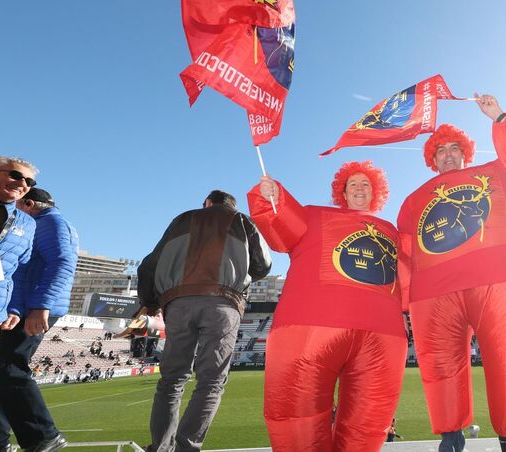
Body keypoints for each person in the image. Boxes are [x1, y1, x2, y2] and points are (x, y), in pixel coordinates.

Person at [397, 94, 506, 452]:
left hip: (502, 276)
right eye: (439, 150)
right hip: (435, 290)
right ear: (432, 158)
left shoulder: (498, 172)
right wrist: (403, 303)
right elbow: (405, 253)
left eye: (452, 148)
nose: (447, 154)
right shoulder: (414, 201)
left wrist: (500, 118)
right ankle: (451, 435)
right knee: (441, 363)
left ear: (465, 151)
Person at [248, 161, 407, 451]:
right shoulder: (314, 216)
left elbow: (414, 275)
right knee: (297, 417)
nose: (360, 188)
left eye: (366, 184)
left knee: (368, 424)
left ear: (377, 191)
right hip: (311, 327)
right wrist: (272, 197)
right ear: (342, 192)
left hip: (381, 335)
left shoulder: (391, 231)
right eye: (353, 184)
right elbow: (282, 225)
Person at [138, 190, 271, 452]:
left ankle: (160, 447)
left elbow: (148, 265)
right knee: (211, 381)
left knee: (172, 380)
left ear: (208, 203)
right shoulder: (242, 220)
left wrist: (150, 301)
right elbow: (263, 265)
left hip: (177, 304)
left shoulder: (181, 220)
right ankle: (187, 447)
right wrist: (238, 273)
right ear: (230, 205)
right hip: (223, 304)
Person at [0, 187, 78, 452]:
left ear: (29, 204)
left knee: (7, 367)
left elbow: (62, 263)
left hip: (33, 307)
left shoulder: (50, 223)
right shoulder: (48, 223)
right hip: (24, 306)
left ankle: (43, 435)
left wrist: (40, 306)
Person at [0, 156, 37, 419]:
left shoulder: (27, 223)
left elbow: (19, 270)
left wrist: (14, 305)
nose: (22, 183)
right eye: (15, 175)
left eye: (29, 181)